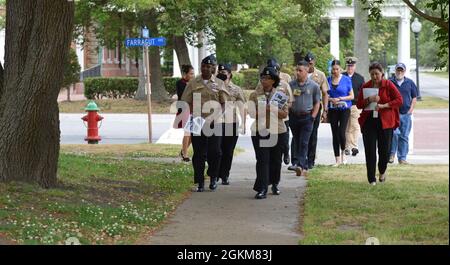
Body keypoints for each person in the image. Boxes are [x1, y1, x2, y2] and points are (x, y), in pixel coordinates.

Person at [181, 54, 229, 192]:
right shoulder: (193, 83)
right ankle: (200, 181)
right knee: (199, 153)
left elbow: (224, 103)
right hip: (197, 121)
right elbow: (185, 101)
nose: (205, 69)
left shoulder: (219, 84)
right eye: (203, 66)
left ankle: (213, 177)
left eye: (208, 66)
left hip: (215, 121)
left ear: (213, 68)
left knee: (215, 152)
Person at [357, 62, 402, 185]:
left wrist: (384, 105)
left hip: (386, 122)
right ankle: (371, 179)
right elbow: (359, 104)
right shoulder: (366, 86)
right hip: (369, 122)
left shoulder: (388, 84)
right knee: (370, 151)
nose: (375, 77)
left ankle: (382, 171)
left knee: (384, 151)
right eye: (372, 74)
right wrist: (369, 100)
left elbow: (399, 100)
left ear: (382, 73)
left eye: (377, 74)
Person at [248, 66, 289, 199]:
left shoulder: (280, 95)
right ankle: (262, 188)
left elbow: (284, 114)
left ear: (273, 81)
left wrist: (273, 109)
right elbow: (252, 113)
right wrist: (264, 109)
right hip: (260, 131)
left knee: (276, 160)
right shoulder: (255, 95)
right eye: (262, 78)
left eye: (267, 78)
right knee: (262, 160)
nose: (263, 80)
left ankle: (275, 183)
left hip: (278, 131)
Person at [291, 52, 329, 172]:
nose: (310, 64)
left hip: (312, 112)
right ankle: (297, 162)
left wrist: (324, 111)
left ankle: (309, 161)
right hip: (296, 114)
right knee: (297, 139)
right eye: (308, 62)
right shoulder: (294, 80)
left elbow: (324, 94)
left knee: (311, 137)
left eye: (311, 62)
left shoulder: (319, 76)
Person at [289, 60, 321, 176]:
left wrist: (313, 117)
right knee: (297, 141)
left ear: (307, 71)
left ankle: (301, 165)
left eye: (300, 70)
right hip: (294, 117)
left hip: (307, 117)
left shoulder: (314, 86)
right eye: (296, 70)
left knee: (304, 142)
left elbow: (317, 103)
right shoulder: (291, 85)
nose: (297, 72)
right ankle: (302, 164)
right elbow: (287, 100)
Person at [217, 63, 247, 185]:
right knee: (216, 150)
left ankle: (224, 175)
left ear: (230, 74)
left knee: (228, 151)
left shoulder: (236, 89)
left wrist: (244, 124)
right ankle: (215, 173)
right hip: (217, 123)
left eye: (224, 73)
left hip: (231, 122)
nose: (221, 74)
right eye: (219, 72)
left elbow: (242, 107)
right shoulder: (214, 87)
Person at [266, 58, 294, 165]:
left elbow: (290, 100)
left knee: (284, 140)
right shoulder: (263, 82)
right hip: (269, 117)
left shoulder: (285, 83)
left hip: (283, 117)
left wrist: (284, 108)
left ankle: (286, 153)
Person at [389, 62, 417, 165]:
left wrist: (411, 110)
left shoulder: (410, 83)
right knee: (394, 134)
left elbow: (414, 97)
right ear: (395, 71)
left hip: (406, 114)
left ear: (404, 71)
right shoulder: (390, 82)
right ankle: (391, 154)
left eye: (401, 70)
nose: (399, 72)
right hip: (393, 113)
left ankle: (402, 158)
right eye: (398, 70)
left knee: (404, 136)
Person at [327, 59, 354, 166]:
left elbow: (352, 96)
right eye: (333, 69)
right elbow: (324, 95)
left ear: (340, 69)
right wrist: (330, 100)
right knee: (334, 133)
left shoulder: (346, 80)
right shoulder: (328, 80)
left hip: (344, 108)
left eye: (337, 69)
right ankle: (337, 159)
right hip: (333, 109)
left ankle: (344, 154)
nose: (335, 71)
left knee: (341, 132)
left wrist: (340, 99)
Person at [342, 57, 365, 157]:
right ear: (346, 66)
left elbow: (362, 93)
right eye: (348, 66)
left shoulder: (360, 78)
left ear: (355, 66)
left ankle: (354, 146)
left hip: (355, 105)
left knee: (355, 126)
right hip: (344, 105)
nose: (350, 67)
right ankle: (347, 147)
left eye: (352, 66)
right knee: (347, 126)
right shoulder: (342, 76)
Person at [174, 64, 195, 162]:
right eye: (191, 74)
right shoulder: (180, 83)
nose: (193, 75)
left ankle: (183, 150)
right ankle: (185, 155)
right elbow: (183, 96)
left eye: (193, 73)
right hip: (185, 110)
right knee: (187, 132)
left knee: (193, 134)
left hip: (194, 110)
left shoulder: (194, 83)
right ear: (185, 74)